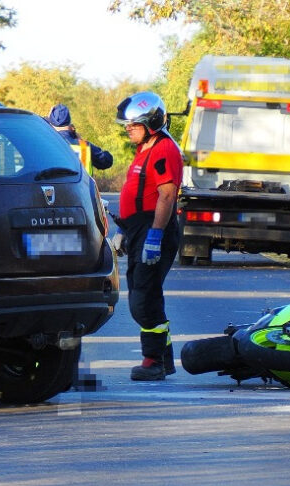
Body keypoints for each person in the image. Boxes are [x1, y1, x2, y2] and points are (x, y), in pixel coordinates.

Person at [115, 91, 182, 381]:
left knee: (143, 298)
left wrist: (155, 235)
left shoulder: (164, 149)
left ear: (151, 122)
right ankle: (164, 359)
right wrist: (123, 229)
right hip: (138, 229)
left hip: (154, 230)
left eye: (134, 124)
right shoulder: (145, 148)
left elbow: (166, 196)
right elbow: (139, 192)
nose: (128, 129)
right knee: (147, 294)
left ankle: (152, 361)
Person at [46, 104, 114, 171]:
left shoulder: (45, 145)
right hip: (82, 182)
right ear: (69, 122)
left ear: (51, 123)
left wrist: (45, 122)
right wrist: (80, 140)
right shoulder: (84, 146)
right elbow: (107, 161)